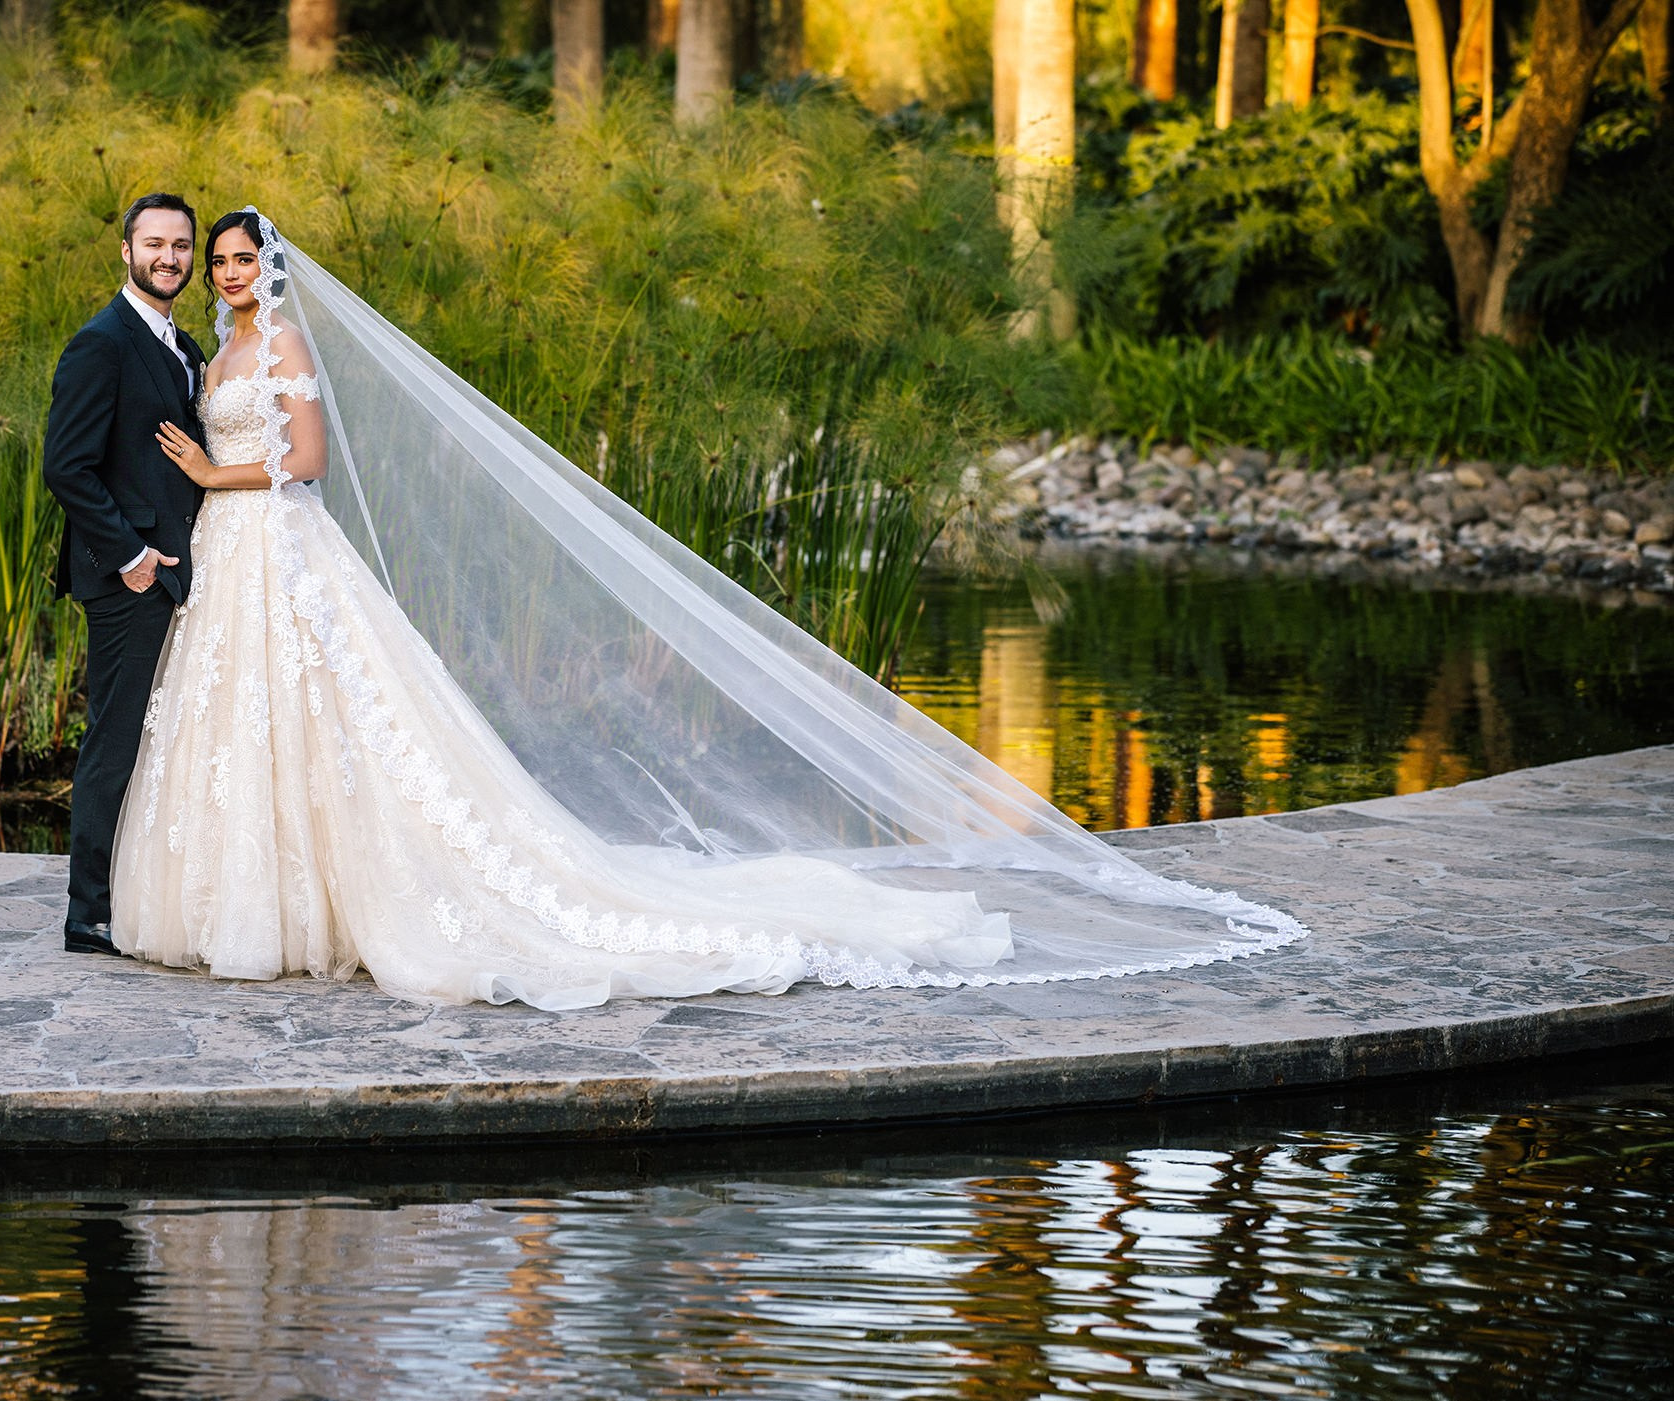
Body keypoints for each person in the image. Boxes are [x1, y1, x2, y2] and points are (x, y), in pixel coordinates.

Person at [102, 208, 1307, 1010]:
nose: (228, 274)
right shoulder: (217, 352)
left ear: (273, 268)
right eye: (218, 262)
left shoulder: (286, 347)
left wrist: (216, 471)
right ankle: (267, 903)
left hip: (279, 544)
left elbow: (308, 461)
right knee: (248, 725)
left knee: (335, 719)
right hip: (228, 558)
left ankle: (354, 907)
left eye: (242, 260)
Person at [41, 192, 209, 958]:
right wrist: (132, 557)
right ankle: (88, 915)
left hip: (183, 573)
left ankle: (141, 897)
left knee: (162, 736)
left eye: (180, 245)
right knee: (114, 739)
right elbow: (67, 468)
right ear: (127, 251)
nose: (168, 258)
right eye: (154, 244)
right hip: (129, 578)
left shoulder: (185, 346)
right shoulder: (100, 343)